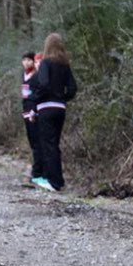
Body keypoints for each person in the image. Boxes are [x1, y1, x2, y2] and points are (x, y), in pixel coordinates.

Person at [31, 33, 78, 192]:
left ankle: (53, 182)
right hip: (60, 109)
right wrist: (61, 98)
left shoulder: (46, 63)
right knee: (54, 144)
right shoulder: (65, 65)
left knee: (48, 144)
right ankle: (59, 180)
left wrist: (36, 99)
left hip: (46, 108)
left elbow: (43, 83)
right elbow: (73, 89)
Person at [21, 52, 43, 182]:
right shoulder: (23, 75)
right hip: (25, 111)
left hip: (34, 112)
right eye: (24, 60)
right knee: (32, 141)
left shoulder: (37, 76)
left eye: (30, 60)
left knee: (37, 142)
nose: (27, 63)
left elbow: (37, 95)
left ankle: (38, 171)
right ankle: (37, 169)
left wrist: (33, 111)